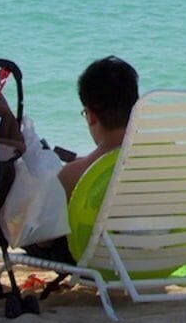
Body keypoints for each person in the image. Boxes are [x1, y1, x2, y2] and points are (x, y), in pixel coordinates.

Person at [42, 56, 144, 259]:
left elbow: (44, 239)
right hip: (160, 257)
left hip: (100, 262)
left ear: (90, 115)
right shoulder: (161, 163)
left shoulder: (73, 174)